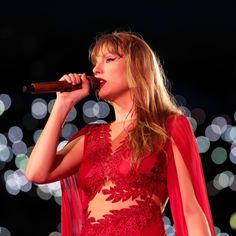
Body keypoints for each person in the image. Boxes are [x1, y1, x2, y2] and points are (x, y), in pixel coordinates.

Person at [25, 30, 216, 236]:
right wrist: (63, 105)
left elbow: (191, 211)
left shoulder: (167, 126)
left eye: (109, 59)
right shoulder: (90, 136)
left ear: (137, 67)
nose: (96, 69)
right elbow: (36, 173)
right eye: (95, 63)